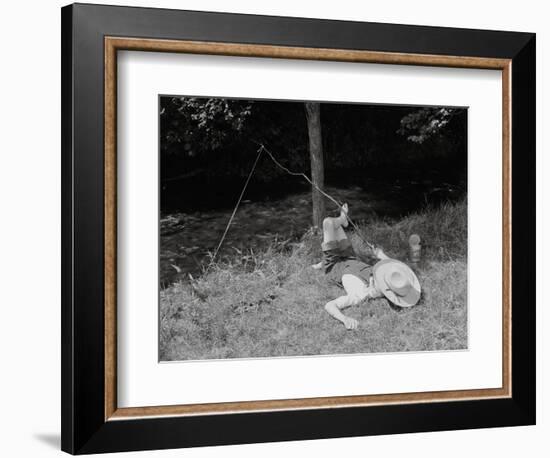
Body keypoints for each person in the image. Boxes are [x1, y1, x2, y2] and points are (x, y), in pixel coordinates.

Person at [313, 203, 421, 330]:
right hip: (350, 256)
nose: (382, 275)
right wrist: (381, 255)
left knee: (328, 223)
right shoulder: (384, 278)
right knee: (335, 228)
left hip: (333, 265)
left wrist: (345, 319)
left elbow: (330, 305)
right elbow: (395, 267)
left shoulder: (360, 294)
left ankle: (341, 222)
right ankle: (341, 223)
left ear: (384, 289)